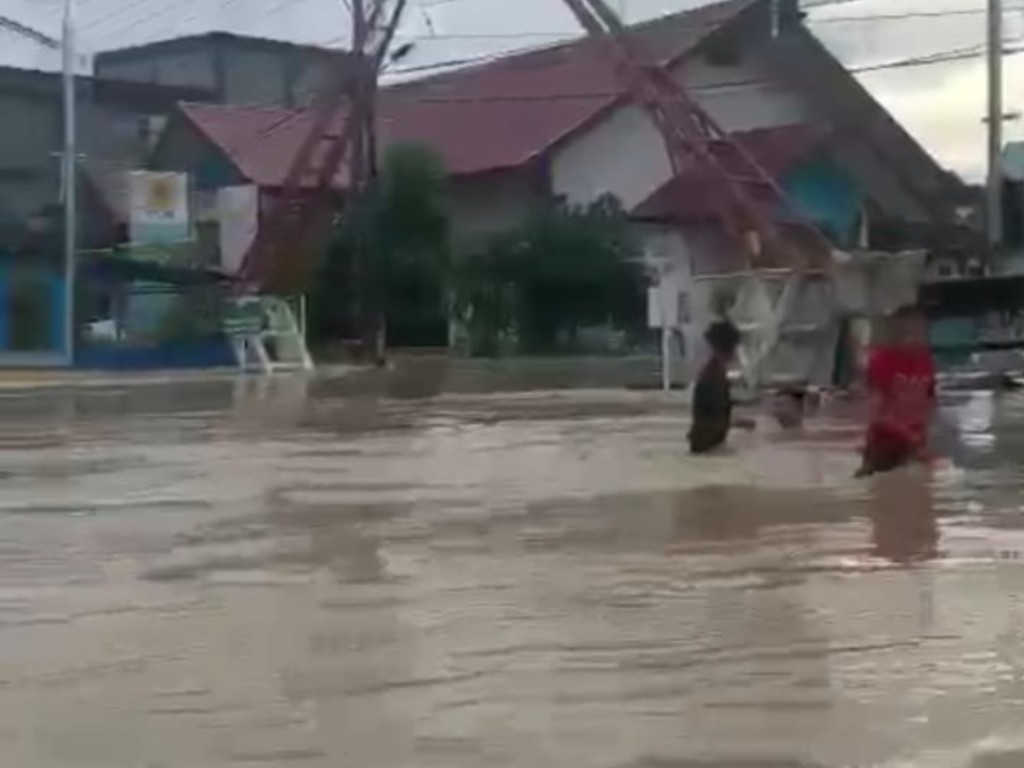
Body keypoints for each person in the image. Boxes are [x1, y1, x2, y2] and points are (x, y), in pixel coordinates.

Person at [857, 304, 937, 477]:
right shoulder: (881, 360)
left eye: (920, 331)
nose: (917, 337)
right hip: (885, 445)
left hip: (915, 443)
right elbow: (876, 413)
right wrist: (908, 436)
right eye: (910, 331)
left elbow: (929, 401)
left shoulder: (926, 360)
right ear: (898, 333)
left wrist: (920, 438)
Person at [688, 320, 754, 454]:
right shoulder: (714, 375)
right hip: (710, 446)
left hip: (703, 443)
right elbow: (716, 418)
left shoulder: (712, 372)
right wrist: (739, 422)